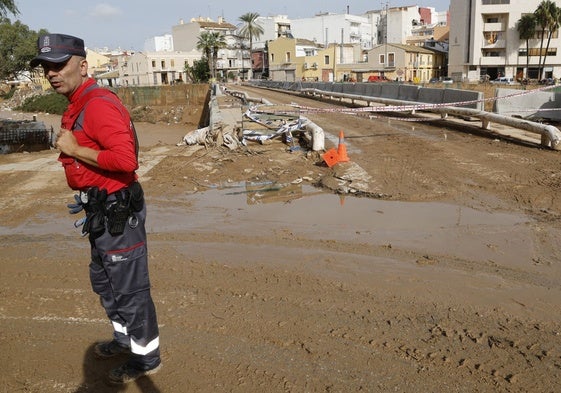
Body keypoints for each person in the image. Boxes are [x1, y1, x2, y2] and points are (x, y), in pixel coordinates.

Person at [30, 33, 161, 385]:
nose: (52, 73)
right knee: (106, 282)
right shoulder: (77, 102)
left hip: (118, 210)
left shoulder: (97, 103)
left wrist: (74, 150)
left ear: (83, 66)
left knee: (130, 289)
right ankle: (124, 340)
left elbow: (126, 160)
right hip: (100, 210)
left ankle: (146, 358)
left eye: (60, 65)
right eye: (47, 67)